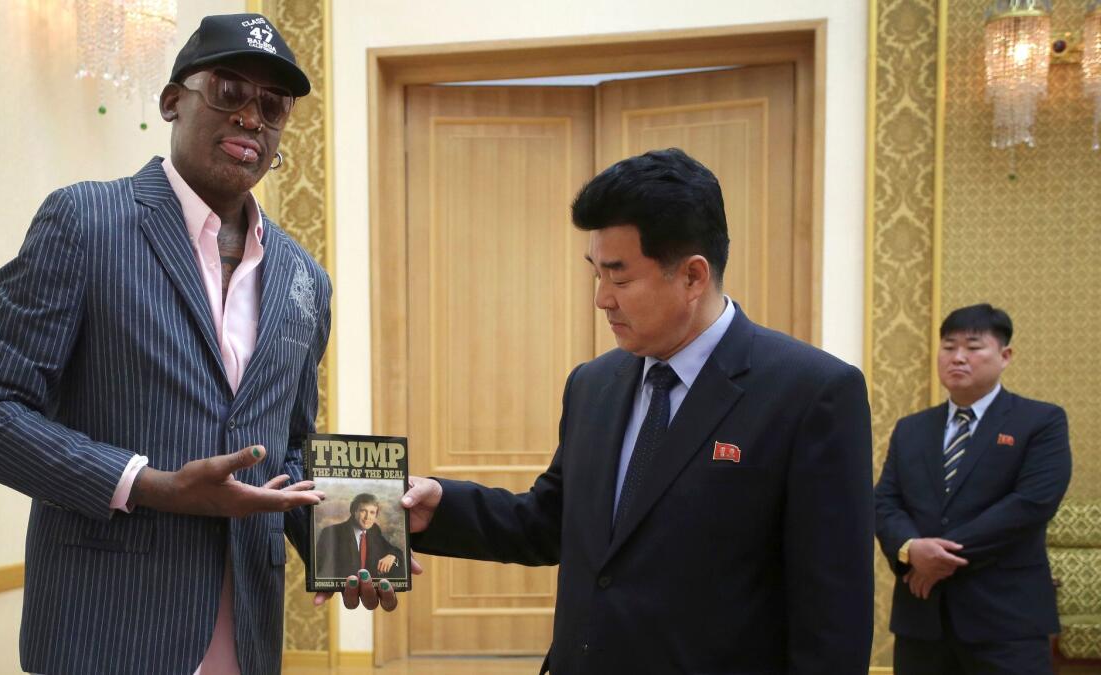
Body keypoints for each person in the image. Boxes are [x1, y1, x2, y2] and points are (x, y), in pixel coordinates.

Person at [0, 14, 396, 675]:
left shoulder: (305, 278)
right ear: (172, 100)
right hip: (105, 633)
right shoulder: (86, 222)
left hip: (248, 637)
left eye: (272, 106)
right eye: (229, 91)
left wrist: (351, 545)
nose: (251, 118)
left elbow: (289, 448)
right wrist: (147, 484)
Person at [401, 148, 875, 675]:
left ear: (693, 276)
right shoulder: (594, 385)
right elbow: (552, 522)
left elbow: (834, 617)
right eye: (595, 275)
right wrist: (440, 506)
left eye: (620, 279)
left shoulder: (811, 393)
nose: (602, 299)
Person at [876, 304, 1071, 675]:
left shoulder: (1040, 421)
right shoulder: (911, 429)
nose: (958, 357)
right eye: (948, 347)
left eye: (973, 346)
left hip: (1006, 619)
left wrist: (938, 560)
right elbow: (885, 501)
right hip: (923, 619)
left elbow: (1031, 504)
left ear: (1005, 355)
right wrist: (912, 548)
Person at [316, 493, 405, 578]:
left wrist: (392, 555)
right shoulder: (331, 532)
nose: (367, 517)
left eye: (372, 512)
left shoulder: (374, 530)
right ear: (354, 511)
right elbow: (321, 569)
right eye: (363, 511)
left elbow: (394, 550)